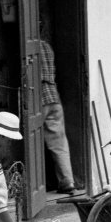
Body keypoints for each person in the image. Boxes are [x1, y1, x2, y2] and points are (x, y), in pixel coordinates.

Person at [39, 26, 77, 194]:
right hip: (53, 97)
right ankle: (67, 181)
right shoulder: (47, 47)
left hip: (37, 98)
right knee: (59, 144)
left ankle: (34, 189)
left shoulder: (28, 49)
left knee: (31, 144)